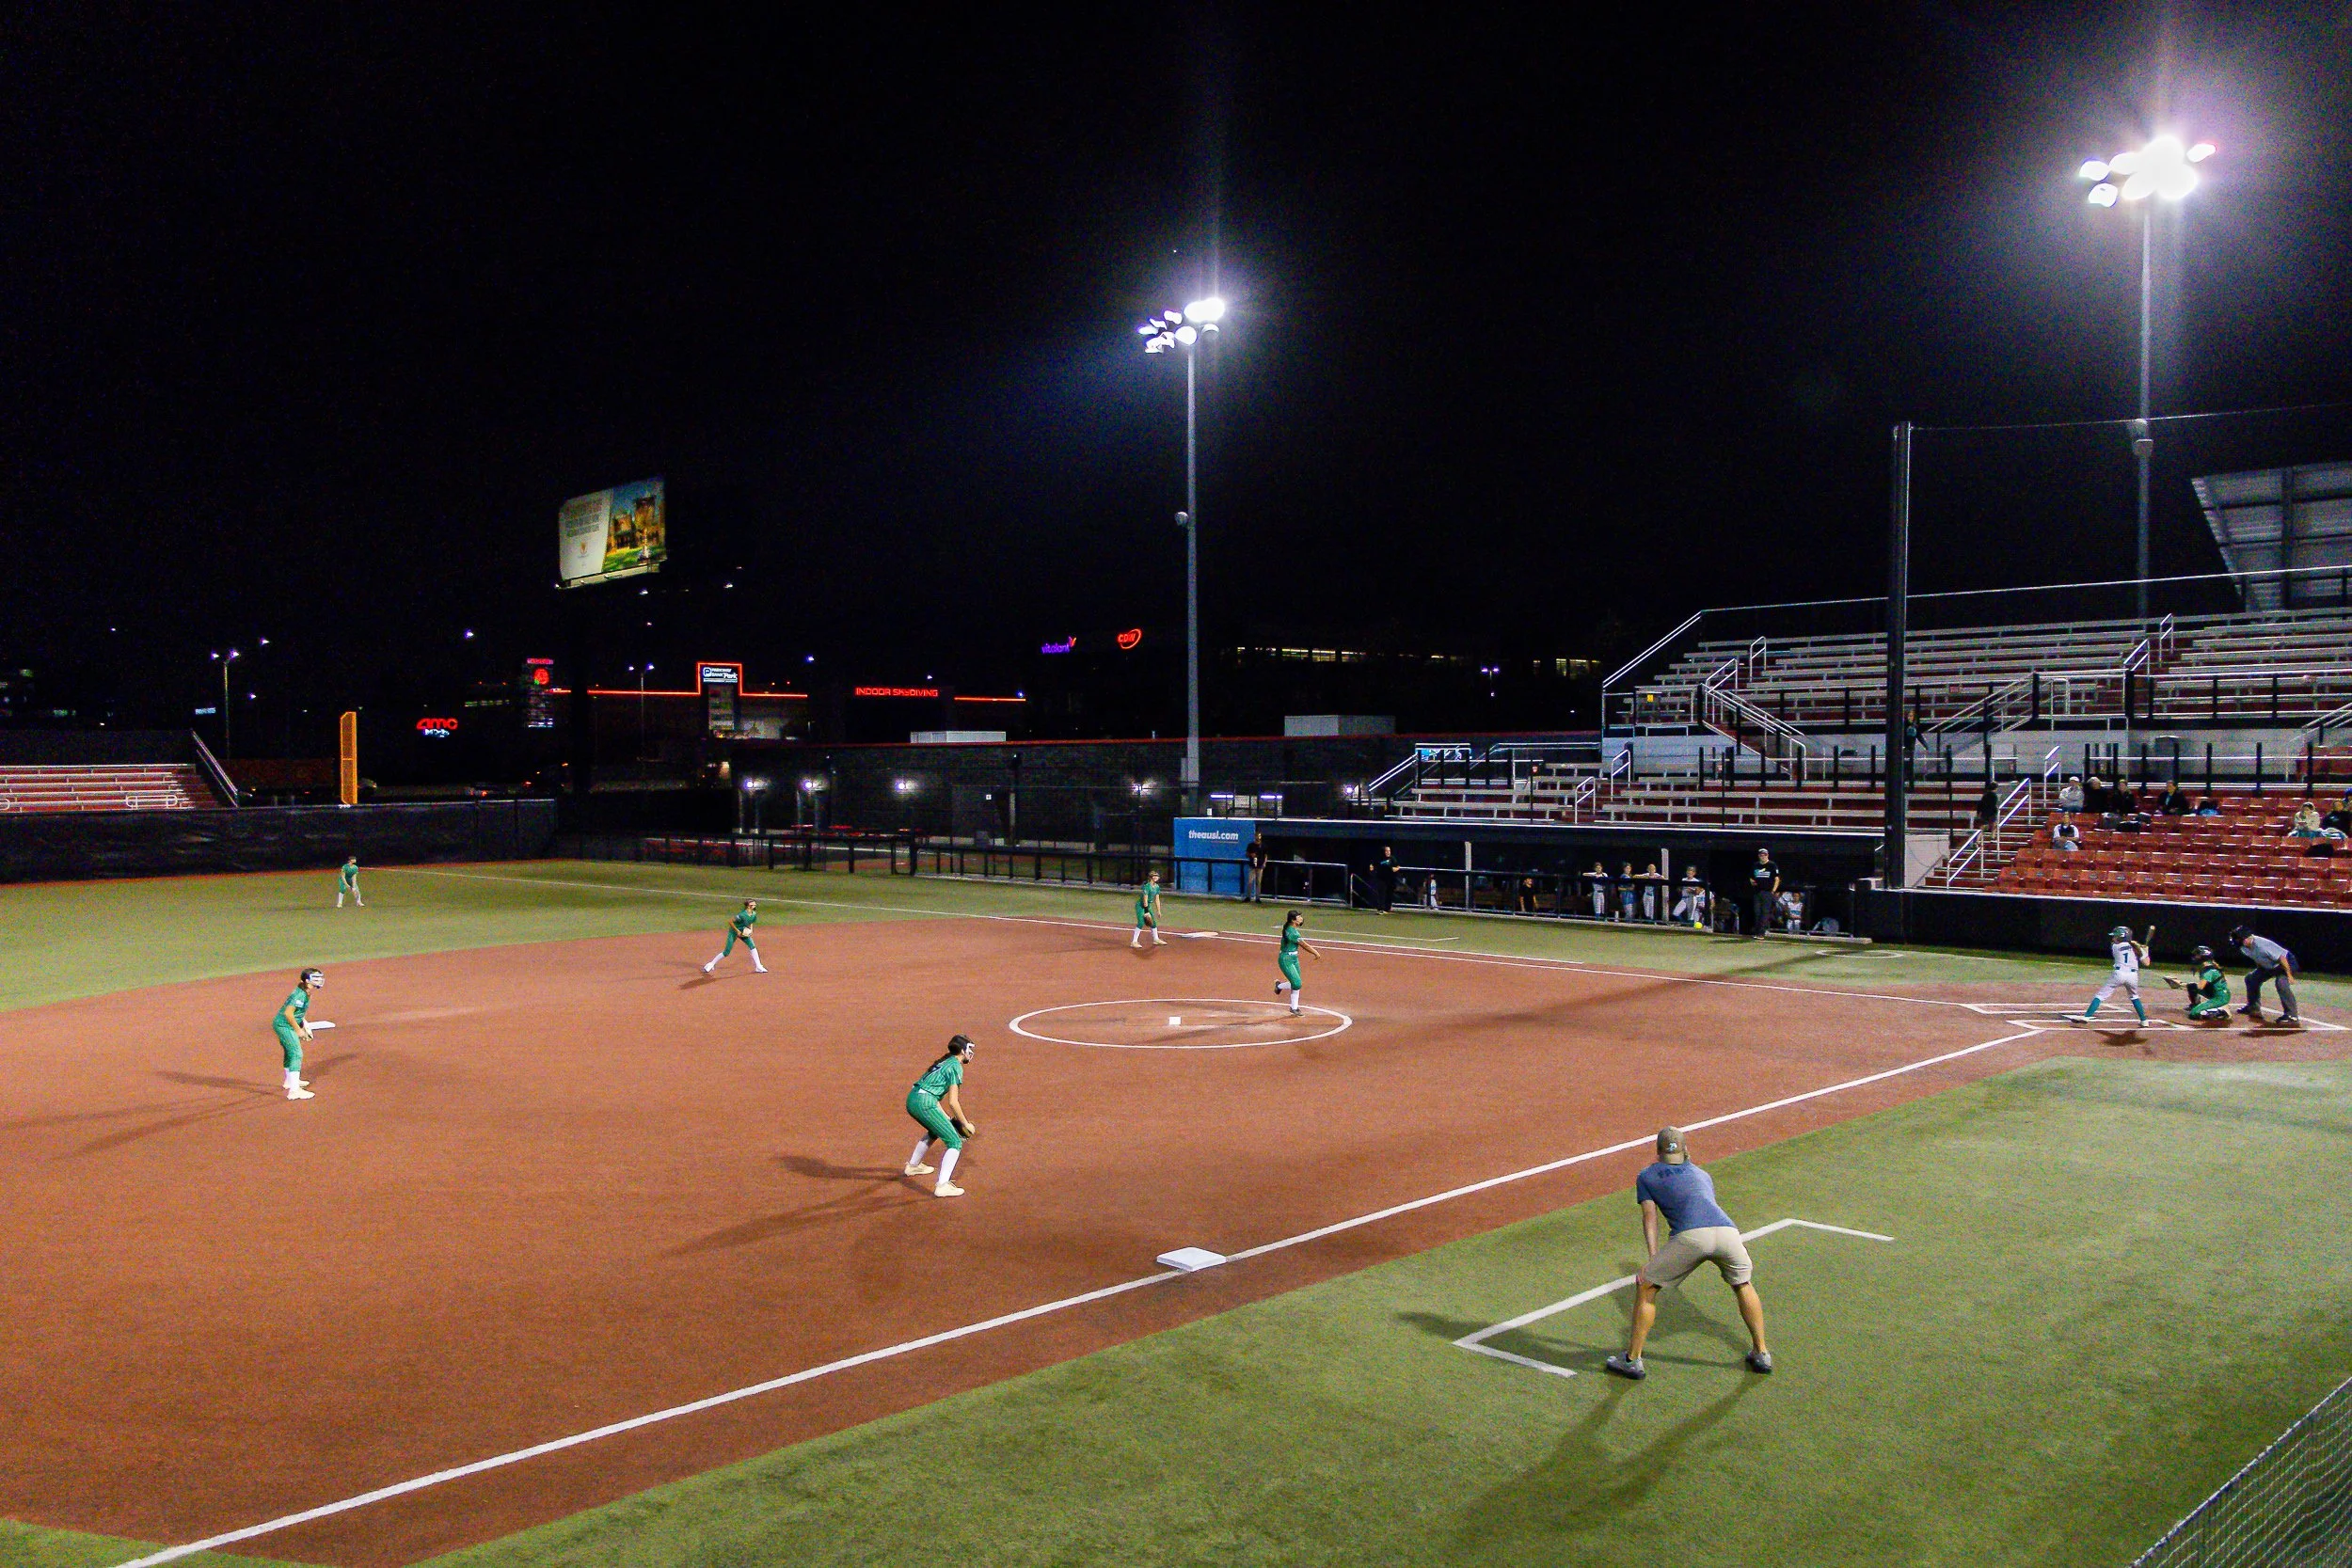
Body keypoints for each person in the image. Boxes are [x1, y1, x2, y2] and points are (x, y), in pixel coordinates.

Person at [1605, 1127, 1772, 1380]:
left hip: (1692, 1237)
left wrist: (1653, 1259)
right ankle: (1761, 1353)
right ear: (1686, 1150)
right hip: (1728, 1232)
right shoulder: (1703, 1175)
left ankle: (1632, 1360)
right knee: (1743, 1284)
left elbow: (1650, 1218)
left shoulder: (1647, 1176)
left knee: (1647, 1287)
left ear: (1658, 1152)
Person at [902, 1035, 978, 1198]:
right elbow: (953, 1102)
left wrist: (948, 1120)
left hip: (914, 1099)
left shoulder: (944, 1062)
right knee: (955, 1142)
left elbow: (933, 1095)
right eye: (969, 1049)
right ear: (963, 1050)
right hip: (924, 1103)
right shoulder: (956, 1067)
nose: (970, 1053)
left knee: (935, 1129)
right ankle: (942, 1185)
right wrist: (965, 1124)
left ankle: (913, 1166)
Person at [2073, 925, 2148, 1026]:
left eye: (2115, 936)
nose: (2113, 938)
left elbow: (2127, 947)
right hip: (2133, 976)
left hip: (2119, 974)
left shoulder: (2115, 946)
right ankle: (2144, 1020)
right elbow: (2146, 963)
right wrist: (2145, 952)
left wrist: (2141, 949)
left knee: (2100, 996)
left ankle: (2087, 1016)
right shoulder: (2137, 948)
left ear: (2121, 937)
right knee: (2134, 996)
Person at [2230, 926, 2302, 1026]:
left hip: (2285, 963)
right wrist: (2260, 971)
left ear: (2246, 938)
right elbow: (2257, 958)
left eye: (2238, 940)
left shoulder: (2261, 945)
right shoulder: (2243, 947)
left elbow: (2282, 958)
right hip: (2269, 965)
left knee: (2281, 984)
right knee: (2251, 979)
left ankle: (2292, 1016)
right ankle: (2253, 1008)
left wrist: (2289, 975)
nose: (2237, 942)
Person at [273, 968, 325, 1101]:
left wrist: (304, 1023)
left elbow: (297, 1013)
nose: (319, 980)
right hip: (284, 1025)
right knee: (296, 1053)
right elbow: (288, 1013)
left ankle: (290, 1081)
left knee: (289, 1052)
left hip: (284, 1024)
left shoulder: (306, 993)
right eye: (315, 978)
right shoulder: (300, 995)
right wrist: (298, 1030)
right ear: (307, 980)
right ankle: (294, 1091)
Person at [1273, 909, 1323, 1015]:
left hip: (1294, 958)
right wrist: (1315, 952)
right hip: (1286, 959)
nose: (1301, 918)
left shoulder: (1291, 929)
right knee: (1297, 983)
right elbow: (1304, 945)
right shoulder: (1292, 932)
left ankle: (1292, 1005)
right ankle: (1292, 1005)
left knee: (1296, 982)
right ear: (1293, 920)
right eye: (1299, 917)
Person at [704, 898, 768, 974]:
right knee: (727, 952)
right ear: (748, 906)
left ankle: (759, 966)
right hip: (734, 932)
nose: (754, 905)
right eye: (752, 904)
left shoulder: (754, 914)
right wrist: (737, 931)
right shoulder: (741, 915)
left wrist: (751, 930)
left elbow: (751, 922)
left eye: (754, 904)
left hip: (743, 932)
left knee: (752, 946)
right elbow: (730, 922)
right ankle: (711, 964)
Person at [2177, 944, 2231, 1022]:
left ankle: (2221, 1011)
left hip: (2220, 997)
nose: (2195, 957)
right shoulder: (2208, 967)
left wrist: (2179, 984)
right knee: (2191, 986)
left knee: (2194, 1014)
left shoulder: (2209, 971)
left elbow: (2200, 987)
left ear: (2204, 956)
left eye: (2197, 955)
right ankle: (2195, 1005)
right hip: (2214, 992)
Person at [1747, 847, 1779, 940]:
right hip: (1757, 892)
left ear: (1767, 855)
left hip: (1767, 892)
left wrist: (1773, 891)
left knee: (1765, 912)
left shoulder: (1772, 865)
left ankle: (1761, 933)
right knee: (1757, 912)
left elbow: (1776, 879)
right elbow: (1751, 877)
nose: (1763, 856)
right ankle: (1757, 932)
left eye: (1764, 855)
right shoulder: (1755, 865)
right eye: (1761, 855)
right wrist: (1752, 882)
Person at [1131, 870, 1166, 947]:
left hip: (1148, 906)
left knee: (1153, 922)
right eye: (1154, 876)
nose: (1157, 877)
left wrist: (1159, 911)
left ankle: (1156, 939)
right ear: (1151, 877)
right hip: (1141, 906)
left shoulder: (1157, 887)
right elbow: (1145, 900)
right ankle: (1134, 942)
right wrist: (1146, 912)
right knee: (1141, 922)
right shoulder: (1147, 886)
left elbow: (1157, 899)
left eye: (1157, 876)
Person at [1244, 834, 1267, 902]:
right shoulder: (1251, 845)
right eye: (1257, 836)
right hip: (1252, 866)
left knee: (1258, 882)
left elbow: (1265, 856)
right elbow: (1246, 854)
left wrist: (1264, 863)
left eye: (1259, 836)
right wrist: (1251, 854)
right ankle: (1248, 897)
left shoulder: (1263, 846)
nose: (1258, 837)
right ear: (1255, 837)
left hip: (1260, 866)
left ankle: (1258, 898)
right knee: (1250, 882)